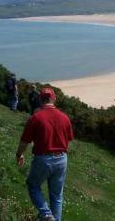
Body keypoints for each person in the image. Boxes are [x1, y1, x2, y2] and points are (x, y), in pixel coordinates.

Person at [16, 87, 74, 221]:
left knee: (33, 185)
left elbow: (25, 141)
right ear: (54, 99)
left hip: (43, 159)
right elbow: (68, 140)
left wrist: (19, 154)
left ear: (40, 99)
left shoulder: (35, 118)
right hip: (62, 159)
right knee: (57, 196)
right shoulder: (65, 118)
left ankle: (46, 214)